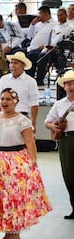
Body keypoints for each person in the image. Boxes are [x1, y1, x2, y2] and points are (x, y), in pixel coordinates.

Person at [0, 88, 52, 239]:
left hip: (16, 162)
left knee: (14, 199)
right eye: (2, 99)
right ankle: (8, 233)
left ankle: (15, 235)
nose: (4, 102)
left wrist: (33, 162)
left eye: (8, 99)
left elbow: (30, 142)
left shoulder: (22, 120)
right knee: (1, 199)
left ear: (15, 101)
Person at [45, 70, 74, 219]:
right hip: (67, 140)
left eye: (73, 83)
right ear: (64, 86)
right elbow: (47, 122)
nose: (71, 86)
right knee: (69, 175)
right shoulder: (59, 104)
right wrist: (52, 127)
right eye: (68, 83)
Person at [0, 52, 39, 131]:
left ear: (23, 65)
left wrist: (34, 123)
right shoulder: (3, 79)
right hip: (5, 116)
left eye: (16, 63)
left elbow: (34, 103)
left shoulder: (30, 81)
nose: (12, 65)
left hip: (23, 117)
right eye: (11, 63)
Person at [35, 8, 73, 86]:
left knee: (42, 56)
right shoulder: (56, 27)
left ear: (66, 15)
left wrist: (56, 48)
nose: (59, 17)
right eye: (58, 15)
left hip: (61, 52)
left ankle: (39, 80)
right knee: (34, 55)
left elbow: (68, 43)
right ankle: (32, 77)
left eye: (61, 15)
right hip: (50, 49)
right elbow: (51, 40)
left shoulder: (70, 28)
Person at [24, 5, 57, 86]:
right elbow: (30, 36)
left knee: (33, 55)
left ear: (46, 14)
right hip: (32, 47)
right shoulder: (38, 24)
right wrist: (32, 25)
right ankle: (29, 79)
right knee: (19, 52)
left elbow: (54, 38)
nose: (39, 16)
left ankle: (38, 80)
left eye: (40, 13)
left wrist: (46, 45)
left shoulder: (54, 24)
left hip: (44, 49)